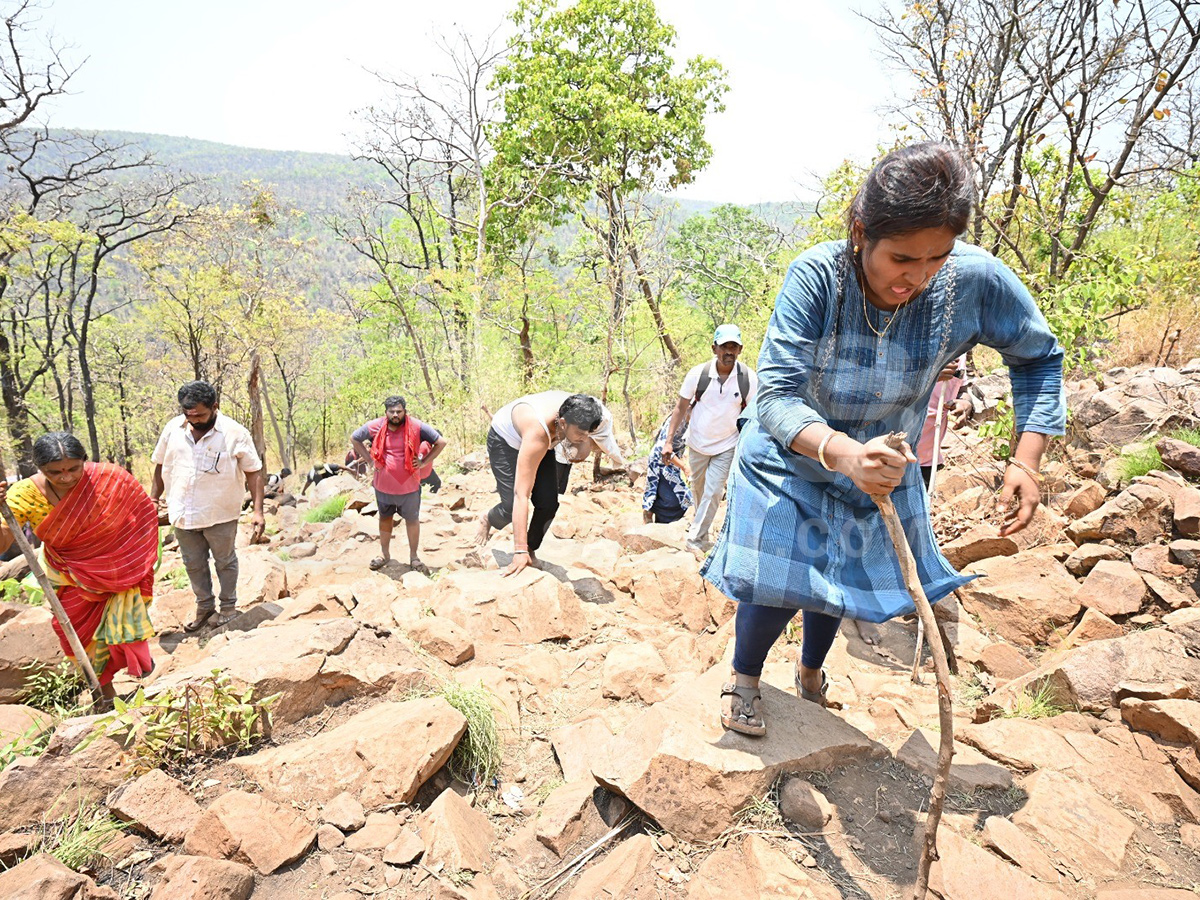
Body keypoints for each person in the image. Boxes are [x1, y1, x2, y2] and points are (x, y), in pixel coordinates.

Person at [704, 143, 1065, 736]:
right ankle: (743, 678)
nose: (918, 278)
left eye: (935, 259)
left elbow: (1039, 356)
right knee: (779, 582)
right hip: (790, 458)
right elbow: (773, 397)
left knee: (840, 580)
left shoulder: (973, 280)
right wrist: (843, 454)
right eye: (901, 258)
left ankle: (811, 676)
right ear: (860, 232)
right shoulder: (818, 277)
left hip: (882, 466)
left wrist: (1026, 460)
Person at [0, 432, 159, 701]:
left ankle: (137, 675)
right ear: (40, 468)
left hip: (116, 569)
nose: (66, 477)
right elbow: (4, 543)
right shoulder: (25, 494)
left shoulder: (109, 478)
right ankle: (105, 695)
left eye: (73, 468)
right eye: (55, 472)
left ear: (84, 460)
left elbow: (142, 515)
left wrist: (129, 557)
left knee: (120, 629)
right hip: (68, 576)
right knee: (80, 635)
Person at [151, 381, 265, 632]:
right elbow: (160, 464)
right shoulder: (173, 429)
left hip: (220, 513)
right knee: (193, 563)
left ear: (215, 407)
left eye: (200, 415)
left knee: (225, 561)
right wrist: (153, 498)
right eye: (188, 414)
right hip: (182, 513)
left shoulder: (235, 433)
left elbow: (254, 472)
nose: (193, 420)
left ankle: (228, 608)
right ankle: (204, 608)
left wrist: (258, 511)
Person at [475, 391, 626, 576]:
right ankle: (489, 519)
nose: (584, 438)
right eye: (580, 433)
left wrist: (581, 441)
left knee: (548, 504)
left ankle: (531, 549)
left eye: (588, 434)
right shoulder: (538, 431)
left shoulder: (580, 416)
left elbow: (588, 444)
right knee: (509, 506)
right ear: (562, 423)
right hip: (505, 440)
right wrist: (518, 550)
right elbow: (521, 494)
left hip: (545, 439)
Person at [661, 324, 758, 554]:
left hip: (727, 444)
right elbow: (680, 407)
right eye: (724, 346)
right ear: (714, 348)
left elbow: (754, 413)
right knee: (699, 492)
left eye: (733, 346)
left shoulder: (748, 378)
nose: (729, 351)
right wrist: (668, 441)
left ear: (740, 349)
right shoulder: (697, 374)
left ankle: (694, 540)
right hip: (697, 444)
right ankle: (702, 534)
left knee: (714, 492)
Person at [351, 396, 447, 572]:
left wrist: (424, 462)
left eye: (399, 411)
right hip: (383, 486)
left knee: (412, 520)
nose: (395, 415)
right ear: (386, 412)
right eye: (391, 411)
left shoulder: (416, 426)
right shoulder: (376, 426)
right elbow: (355, 438)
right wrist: (369, 461)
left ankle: (414, 557)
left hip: (409, 487)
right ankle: (385, 554)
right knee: (385, 519)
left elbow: (441, 442)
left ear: (405, 411)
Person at [918, 356, 972, 489]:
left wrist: (965, 403)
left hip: (927, 459)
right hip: (889, 457)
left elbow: (962, 389)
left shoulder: (960, 353)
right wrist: (928, 376)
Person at [642, 417, 692, 524]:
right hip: (660, 462)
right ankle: (649, 511)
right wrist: (684, 467)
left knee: (679, 500)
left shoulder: (692, 422)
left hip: (673, 464)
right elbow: (662, 447)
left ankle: (653, 513)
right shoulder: (678, 421)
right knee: (675, 500)